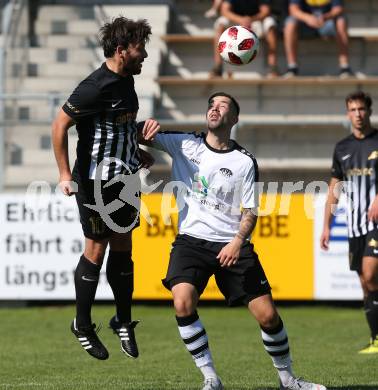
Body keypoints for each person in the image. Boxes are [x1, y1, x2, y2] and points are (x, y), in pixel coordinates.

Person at [141, 92, 327, 390]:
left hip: (231, 243)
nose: (215, 109)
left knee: (268, 316)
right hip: (191, 241)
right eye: (211, 105)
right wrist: (144, 130)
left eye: (223, 106)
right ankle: (210, 378)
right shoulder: (183, 143)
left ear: (235, 119)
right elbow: (134, 133)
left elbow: (250, 212)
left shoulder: (244, 162)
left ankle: (289, 380)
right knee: (182, 302)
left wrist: (238, 242)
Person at [52, 17, 159, 361]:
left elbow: (116, 127)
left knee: (124, 248)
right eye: (139, 48)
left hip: (124, 178)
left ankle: (122, 319)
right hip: (95, 182)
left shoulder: (127, 81)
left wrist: (136, 150)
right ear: (121, 49)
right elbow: (59, 125)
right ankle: (82, 324)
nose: (144, 55)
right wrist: (64, 173)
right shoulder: (94, 86)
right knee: (96, 250)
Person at [320, 91, 378, 354]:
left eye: (362, 109)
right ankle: (375, 338)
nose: (358, 114)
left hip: (375, 223)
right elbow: (334, 187)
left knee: (370, 274)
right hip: (354, 225)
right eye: (353, 110)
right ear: (347, 113)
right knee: (365, 284)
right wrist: (326, 226)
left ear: (369, 111)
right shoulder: (341, 148)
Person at [210, 0, 279, 78]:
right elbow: (224, 10)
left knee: (270, 23)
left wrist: (250, 19)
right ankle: (218, 67)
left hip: (256, 22)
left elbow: (265, 11)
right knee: (220, 23)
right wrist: (241, 20)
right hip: (236, 21)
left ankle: (273, 67)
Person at [284, 0, 352, 78]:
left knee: (341, 21)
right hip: (304, 24)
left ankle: (345, 67)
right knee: (290, 23)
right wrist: (308, 18)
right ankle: (292, 67)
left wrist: (325, 17)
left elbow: (338, 8)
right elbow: (293, 10)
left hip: (326, 23)